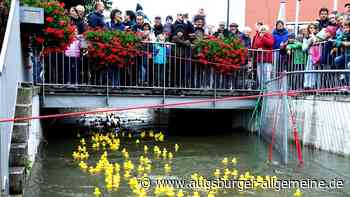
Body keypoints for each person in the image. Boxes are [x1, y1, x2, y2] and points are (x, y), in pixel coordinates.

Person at [302, 23, 319, 89]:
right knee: (309, 71)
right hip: (310, 56)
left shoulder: (318, 36)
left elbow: (316, 41)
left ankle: (314, 86)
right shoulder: (306, 38)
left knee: (315, 72)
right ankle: (307, 86)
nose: (312, 29)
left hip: (317, 56)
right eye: (310, 28)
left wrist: (314, 38)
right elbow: (303, 48)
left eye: (313, 28)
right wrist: (309, 43)